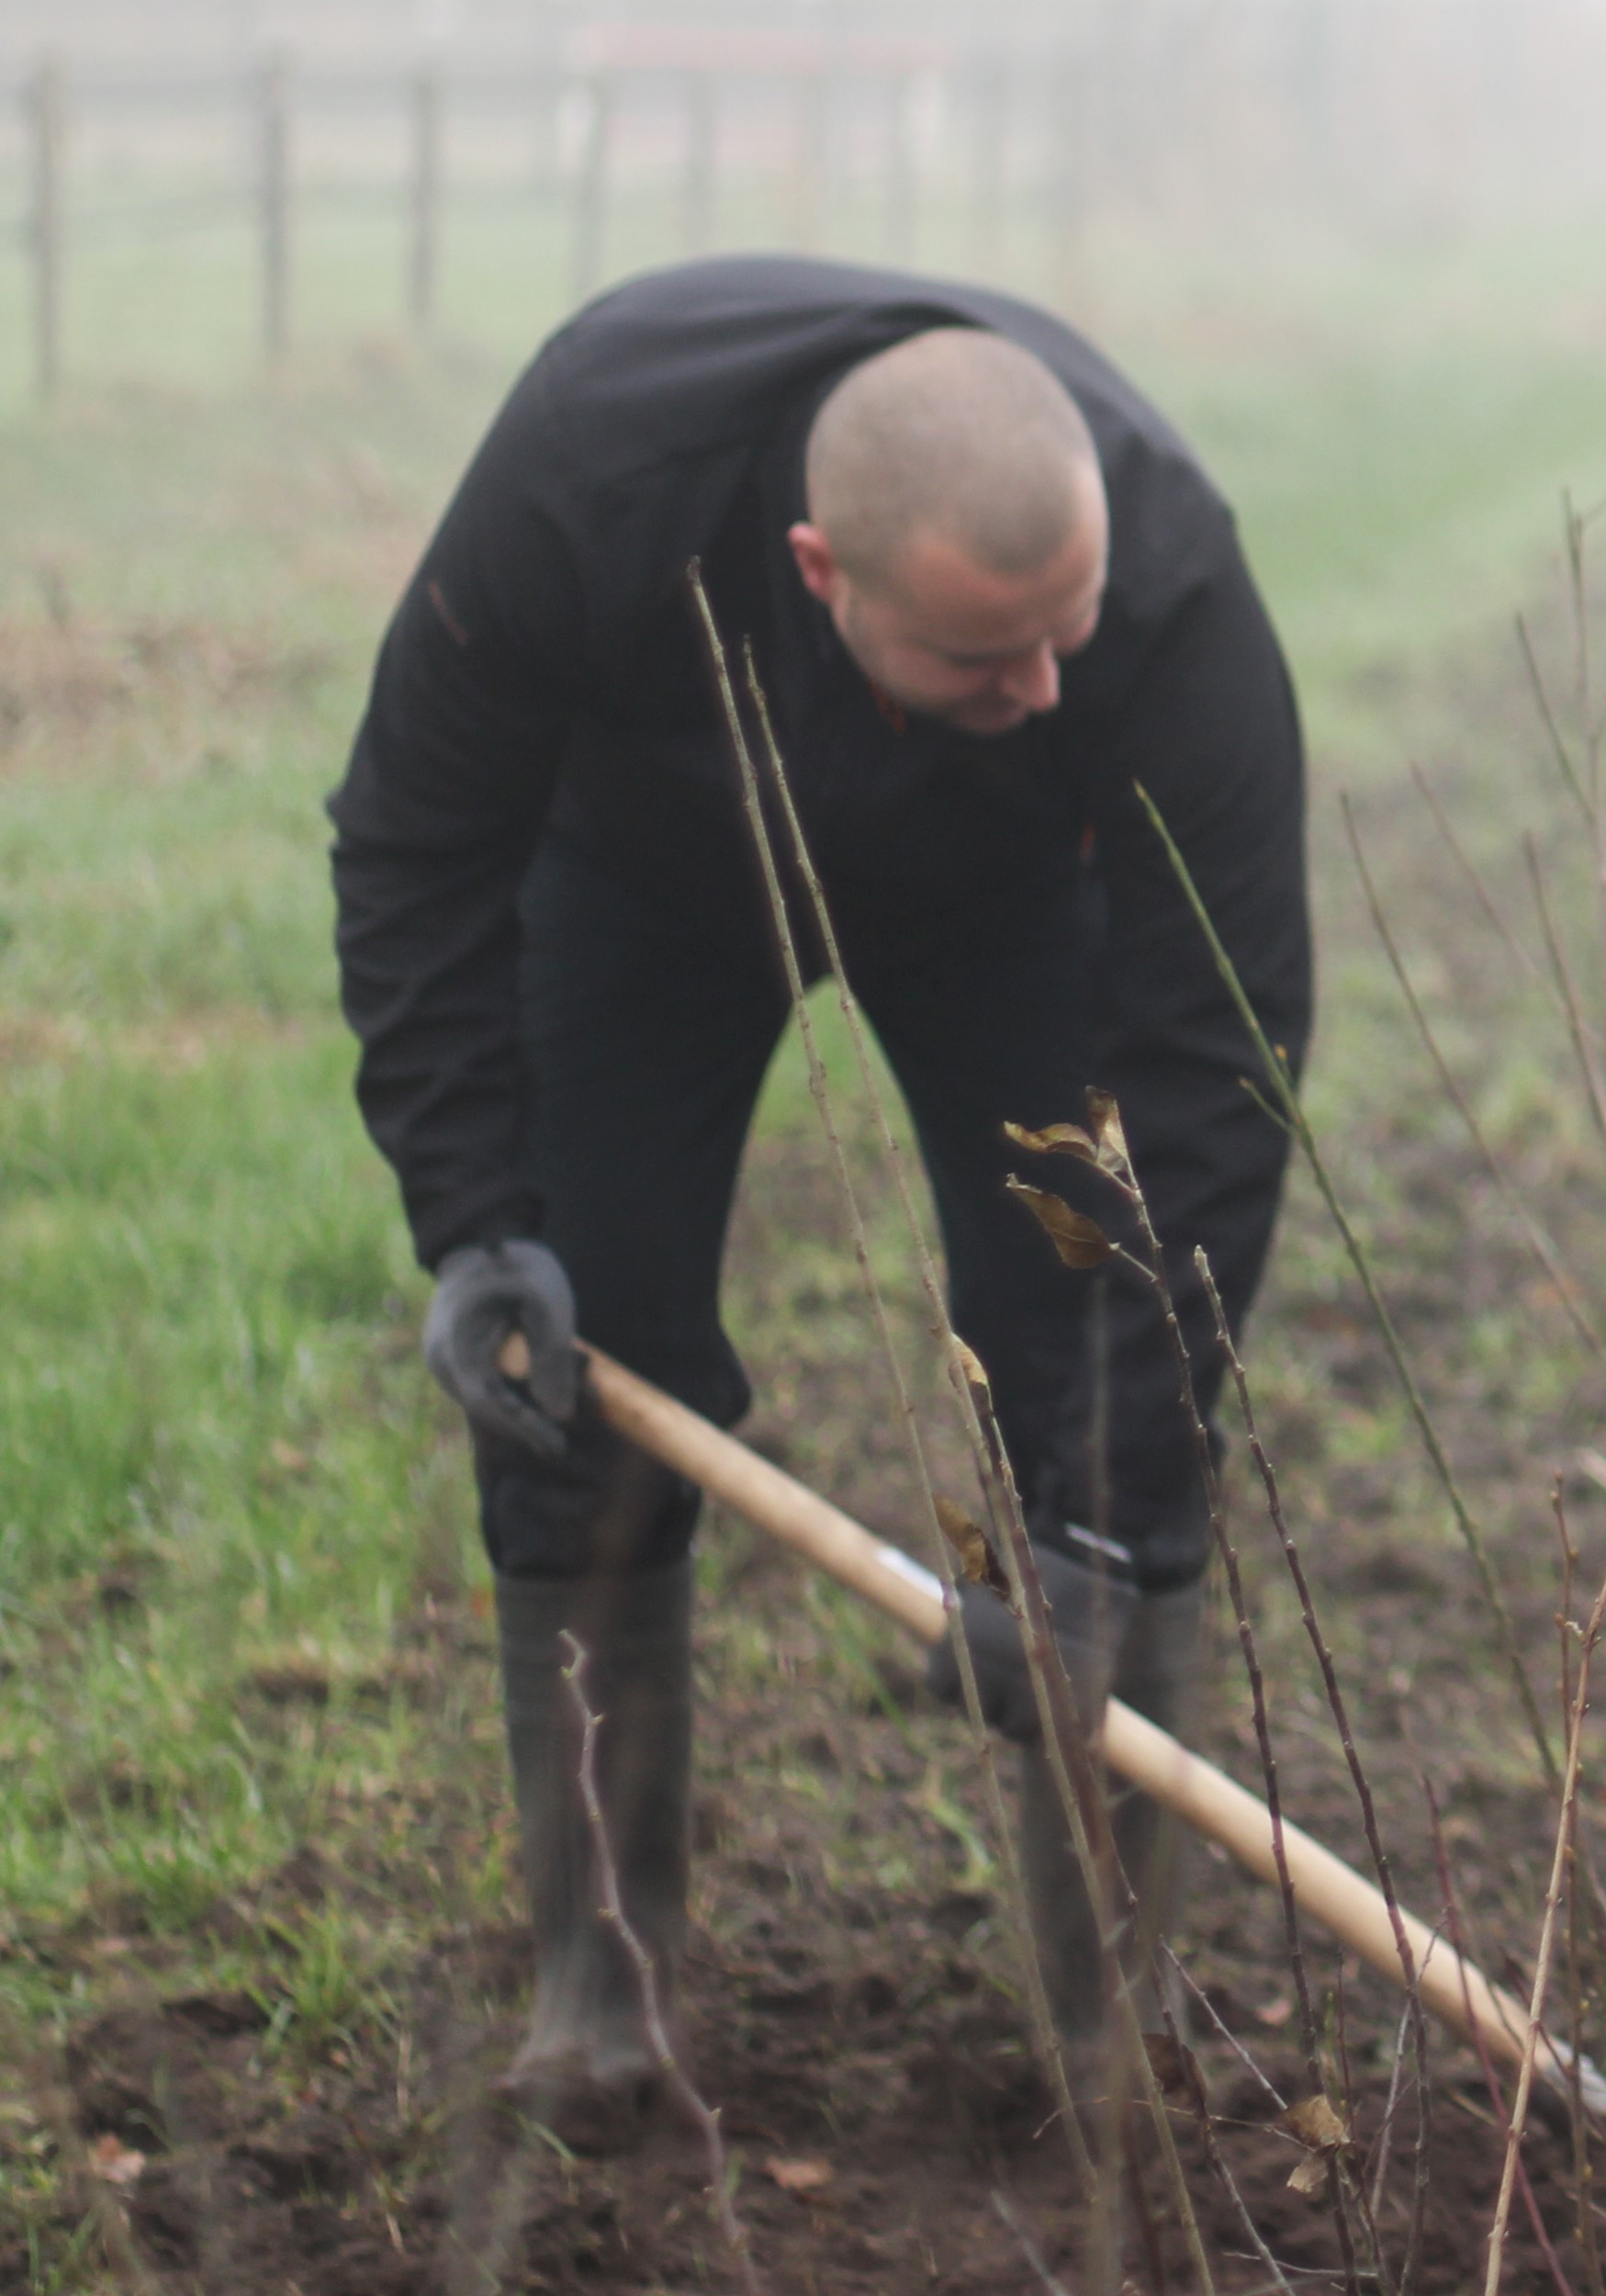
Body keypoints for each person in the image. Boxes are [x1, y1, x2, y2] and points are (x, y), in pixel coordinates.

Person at [331, 253, 1313, 2151]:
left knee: (1081, 1370)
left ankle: (1113, 2020)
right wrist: (473, 1211)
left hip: (1020, 901)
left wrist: (1109, 1499)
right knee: (586, 1356)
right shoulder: (588, 471)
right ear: (817, 569)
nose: (1042, 683)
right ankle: (600, 1991)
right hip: (642, 875)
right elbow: (415, 835)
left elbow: (1216, 1045)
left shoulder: (1170, 587)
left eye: (1066, 635)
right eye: (980, 655)